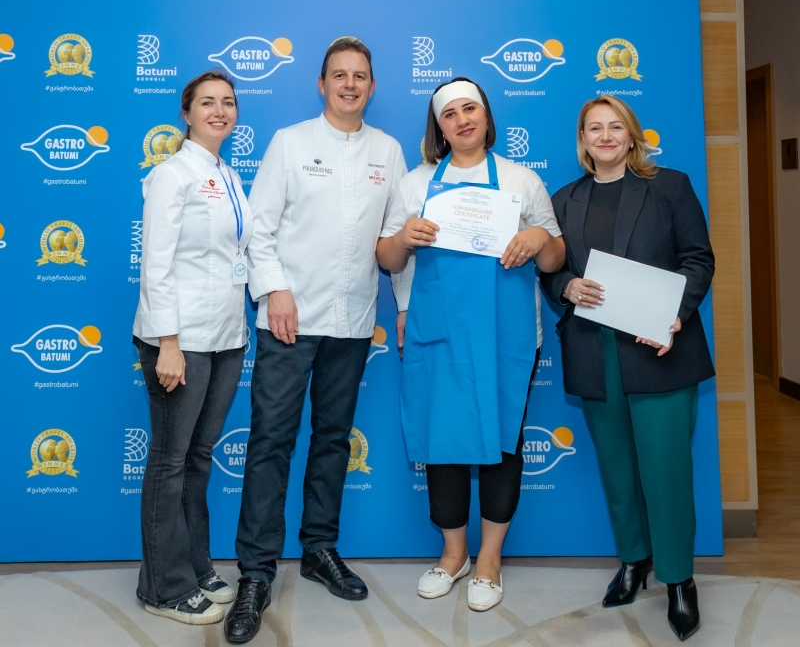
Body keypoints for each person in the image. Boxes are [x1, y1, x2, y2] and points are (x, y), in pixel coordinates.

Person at [225, 37, 407, 644]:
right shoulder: (290, 142)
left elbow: (392, 241)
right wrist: (274, 291)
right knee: (271, 442)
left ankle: (319, 549)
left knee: (332, 439)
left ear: (372, 86)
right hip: (289, 320)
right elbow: (258, 229)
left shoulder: (388, 151)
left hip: (352, 323)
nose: (350, 84)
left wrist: (404, 301)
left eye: (360, 75)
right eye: (339, 75)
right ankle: (255, 573)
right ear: (321, 84)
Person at [377, 78, 565, 612]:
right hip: (439, 335)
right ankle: (453, 553)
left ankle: (490, 560)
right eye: (450, 113)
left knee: (503, 443)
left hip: (507, 337)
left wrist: (541, 240)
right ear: (439, 127)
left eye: (470, 109)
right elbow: (388, 258)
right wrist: (402, 239)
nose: (462, 120)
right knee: (444, 443)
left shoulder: (522, 180)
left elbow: (555, 257)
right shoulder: (416, 184)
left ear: (486, 116)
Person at [540, 96, 715, 642]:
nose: (606, 135)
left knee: (666, 473)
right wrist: (567, 286)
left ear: (632, 134)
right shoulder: (563, 200)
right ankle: (634, 561)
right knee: (617, 469)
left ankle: (679, 579)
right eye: (594, 128)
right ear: (582, 139)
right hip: (595, 354)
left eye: (616, 126)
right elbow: (551, 271)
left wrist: (674, 316)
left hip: (658, 350)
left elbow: (698, 258)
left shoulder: (670, 187)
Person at [133, 70, 253, 625]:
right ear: (186, 113)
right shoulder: (171, 174)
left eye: (228, 102)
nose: (219, 111)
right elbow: (155, 264)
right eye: (207, 102)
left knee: (198, 459)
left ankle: (197, 566)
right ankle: (163, 588)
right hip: (180, 340)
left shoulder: (228, 174)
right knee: (170, 461)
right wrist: (168, 344)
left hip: (226, 337)